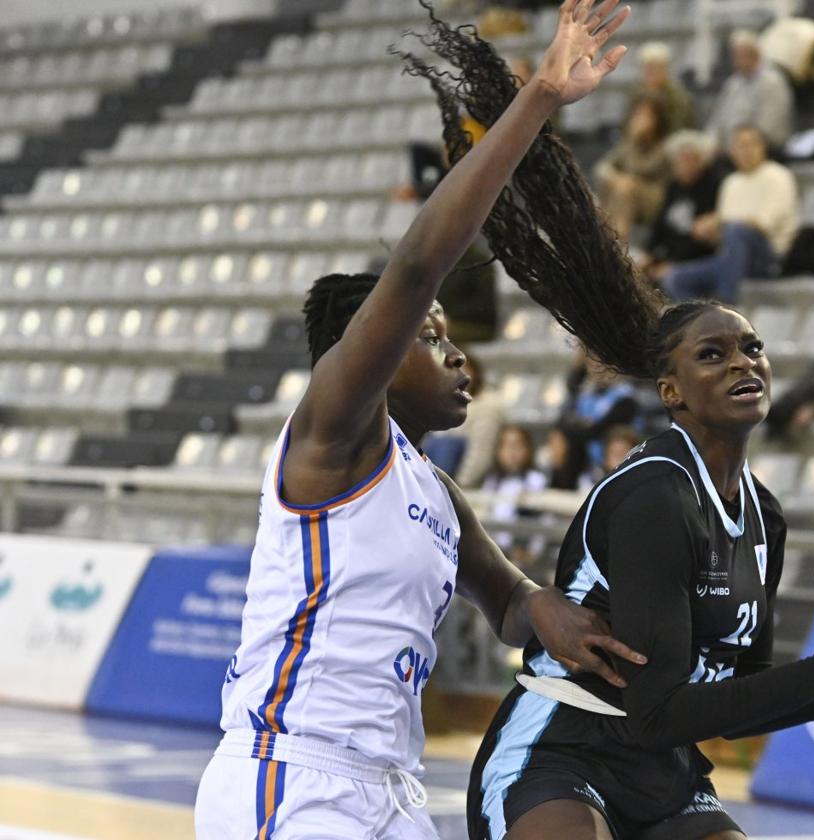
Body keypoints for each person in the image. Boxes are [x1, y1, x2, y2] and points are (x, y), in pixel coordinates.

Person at [404, 19, 814, 840]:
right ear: (672, 391)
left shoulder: (763, 515)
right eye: (715, 353)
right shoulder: (650, 498)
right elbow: (656, 706)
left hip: (661, 766)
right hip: (564, 750)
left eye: (754, 348)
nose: (746, 363)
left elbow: (734, 703)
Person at [193, 5, 645, 838]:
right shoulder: (330, 435)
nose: (456, 353)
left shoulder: (431, 487)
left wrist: (557, 614)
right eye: (430, 337)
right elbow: (418, 263)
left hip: (391, 786)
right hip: (293, 775)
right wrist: (537, 98)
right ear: (362, 352)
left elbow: (504, 596)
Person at [661, 125, 800, 303]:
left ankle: (726, 306)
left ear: (762, 147)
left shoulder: (779, 176)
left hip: (769, 258)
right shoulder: (730, 183)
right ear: (731, 151)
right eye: (740, 146)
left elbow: (762, 226)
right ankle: (700, 324)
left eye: (750, 145)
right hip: (731, 257)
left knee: (737, 231)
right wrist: (708, 231)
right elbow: (723, 234)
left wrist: (721, 224)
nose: (745, 151)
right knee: (674, 278)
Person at [641, 130, 724, 284]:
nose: (685, 164)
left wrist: (671, 264)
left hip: (696, 258)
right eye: (681, 159)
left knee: (670, 278)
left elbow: (700, 235)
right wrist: (649, 254)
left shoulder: (711, 186)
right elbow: (659, 225)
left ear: (701, 161)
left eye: (691, 159)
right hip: (668, 256)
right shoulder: (673, 187)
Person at [594, 95, 671, 242]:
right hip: (628, 192)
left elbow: (636, 170)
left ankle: (618, 241)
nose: (641, 120)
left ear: (658, 119)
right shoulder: (628, 143)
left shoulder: (665, 146)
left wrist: (634, 139)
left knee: (625, 188)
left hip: (656, 198)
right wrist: (615, 178)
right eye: (638, 114)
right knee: (615, 184)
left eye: (647, 115)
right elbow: (602, 168)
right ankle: (603, 233)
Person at [422, 353, 507, 486]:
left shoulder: (487, 406)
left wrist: (459, 485)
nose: (459, 375)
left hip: (459, 484)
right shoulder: (441, 403)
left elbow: (480, 453)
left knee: (448, 445)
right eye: (453, 369)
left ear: (475, 373)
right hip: (433, 480)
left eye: (464, 368)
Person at [706, 29, 794, 149]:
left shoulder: (772, 82)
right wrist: (710, 144)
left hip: (764, 148)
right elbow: (717, 121)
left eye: (742, 55)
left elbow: (767, 127)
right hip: (731, 148)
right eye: (735, 55)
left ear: (756, 54)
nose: (737, 60)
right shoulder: (733, 83)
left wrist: (739, 145)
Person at [483, 425, 551, 568]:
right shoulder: (492, 481)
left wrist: (533, 552)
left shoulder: (536, 480)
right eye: (507, 446)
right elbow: (486, 515)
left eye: (518, 446)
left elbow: (544, 521)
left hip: (523, 555)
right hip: (496, 552)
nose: (512, 453)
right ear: (498, 451)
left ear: (528, 450)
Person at [628, 41, 695, 135]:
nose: (649, 73)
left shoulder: (678, 98)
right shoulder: (637, 95)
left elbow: (679, 129)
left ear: (665, 70)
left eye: (654, 68)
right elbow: (628, 127)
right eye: (646, 68)